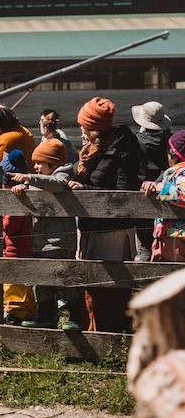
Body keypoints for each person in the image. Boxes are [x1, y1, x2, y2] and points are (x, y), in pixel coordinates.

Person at [68, 97, 141, 333]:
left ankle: (110, 339)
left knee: (109, 288)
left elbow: (123, 191)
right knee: (92, 284)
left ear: (92, 126)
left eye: (82, 125)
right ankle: (94, 335)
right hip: (92, 224)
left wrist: (85, 190)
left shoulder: (123, 148)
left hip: (112, 229)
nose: (80, 129)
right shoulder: (95, 147)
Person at [8, 139, 81, 329]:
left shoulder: (63, 173)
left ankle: (77, 316)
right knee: (42, 281)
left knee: (64, 279)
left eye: (40, 163)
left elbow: (56, 184)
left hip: (60, 241)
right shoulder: (40, 180)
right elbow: (36, 186)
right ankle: (46, 315)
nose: (36, 167)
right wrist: (22, 189)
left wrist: (29, 178)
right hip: (40, 240)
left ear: (53, 162)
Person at [0, 149, 37, 325]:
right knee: (24, 283)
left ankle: (16, 314)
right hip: (22, 247)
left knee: (14, 283)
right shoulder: (25, 194)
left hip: (15, 249)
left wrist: (1, 215)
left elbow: (10, 226)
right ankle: (28, 311)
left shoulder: (15, 200)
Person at [133, 101, 173, 261]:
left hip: (142, 194)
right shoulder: (170, 143)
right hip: (165, 193)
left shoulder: (137, 142)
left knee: (144, 247)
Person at [141, 129, 185, 262]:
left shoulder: (182, 172)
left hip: (176, 235)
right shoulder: (175, 173)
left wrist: (162, 189)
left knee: (174, 277)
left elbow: (183, 194)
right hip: (168, 234)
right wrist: (155, 185)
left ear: (173, 155)